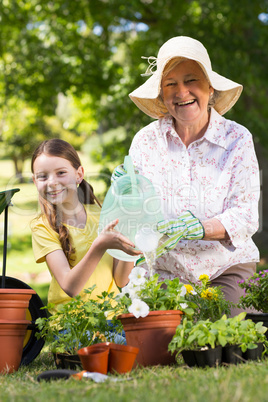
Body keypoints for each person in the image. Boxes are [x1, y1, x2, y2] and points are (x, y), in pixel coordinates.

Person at [114, 36, 260, 316]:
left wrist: (202, 227)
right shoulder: (145, 141)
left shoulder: (236, 139)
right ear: (161, 94)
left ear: (210, 87)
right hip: (162, 272)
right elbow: (135, 218)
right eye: (171, 84)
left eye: (191, 80)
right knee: (150, 339)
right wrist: (125, 196)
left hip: (224, 269)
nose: (182, 92)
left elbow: (246, 216)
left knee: (221, 336)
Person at [31, 139, 140, 316]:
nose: (52, 182)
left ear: (79, 174)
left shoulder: (102, 214)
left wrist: (132, 234)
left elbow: (120, 280)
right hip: (71, 325)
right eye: (43, 176)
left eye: (61, 173)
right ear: (35, 182)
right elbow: (69, 286)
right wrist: (100, 245)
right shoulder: (42, 226)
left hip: (111, 317)